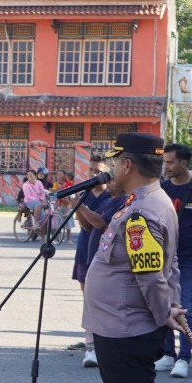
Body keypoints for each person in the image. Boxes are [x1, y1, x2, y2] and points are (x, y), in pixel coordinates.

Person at [81, 132, 180, 383]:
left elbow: (152, 276)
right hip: (116, 326)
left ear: (126, 164)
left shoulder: (144, 212)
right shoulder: (138, 203)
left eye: (114, 161)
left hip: (128, 329)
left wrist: (162, 315)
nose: (110, 168)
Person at [154, 144, 192, 379]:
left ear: (184, 163)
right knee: (163, 304)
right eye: (165, 162)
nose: (166, 166)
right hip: (163, 256)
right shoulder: (162, 188)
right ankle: (168, 353)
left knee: (186, 306)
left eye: (170, 162)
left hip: (190, 257)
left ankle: (184, 357)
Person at [67, 153, 112, 367]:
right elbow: (84, 225)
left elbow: (98, 223)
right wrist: (77, 205)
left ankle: (98, 344)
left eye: (98, 171)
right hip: (84, 249)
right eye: (91, 170)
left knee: (101, 301)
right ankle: (90, 340)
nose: (94, 174)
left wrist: (80, 205)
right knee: (87, 299)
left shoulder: (111, 195)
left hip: (102, 254)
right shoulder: (85, 193)